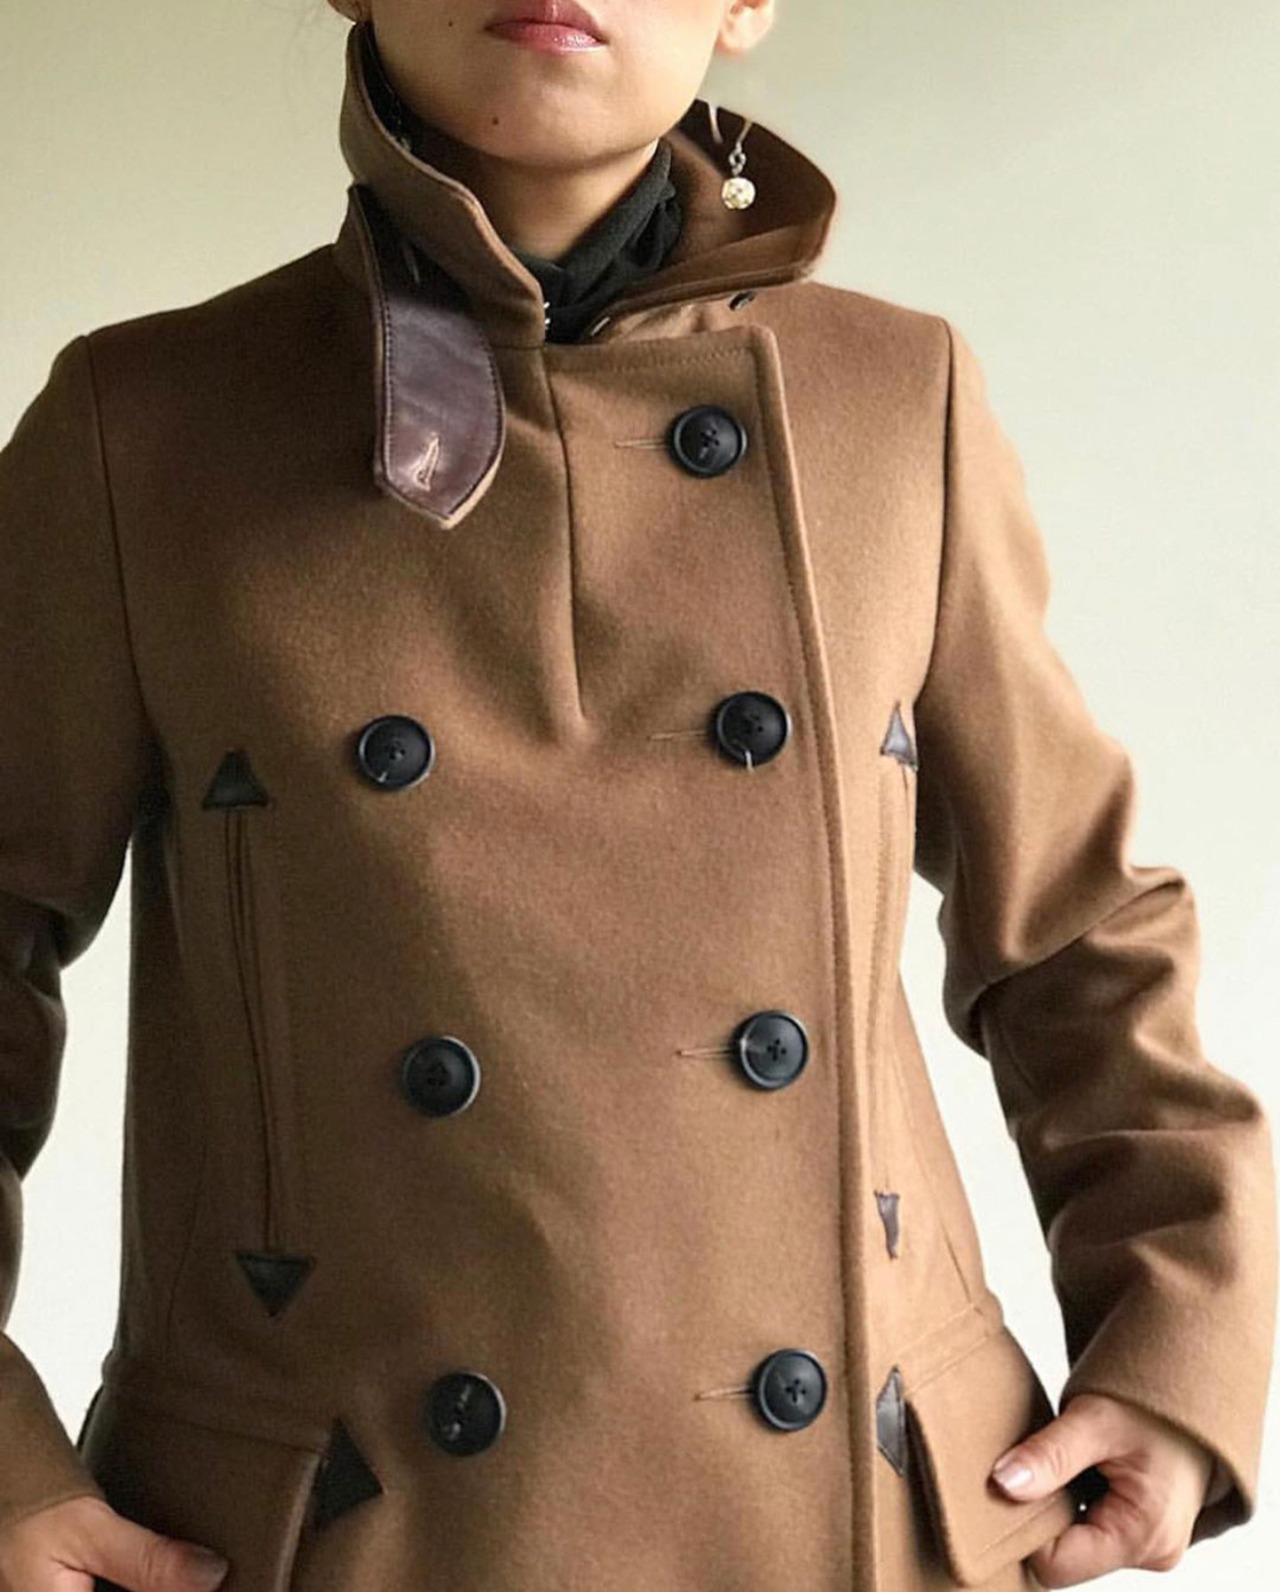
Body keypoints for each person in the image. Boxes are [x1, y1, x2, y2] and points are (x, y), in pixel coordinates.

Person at [0, 4, 1273, 1591]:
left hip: (853, 1520)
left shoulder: (899, 401)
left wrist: (1177, 1343)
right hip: (348, 1530)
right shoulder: (141, 430)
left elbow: (1075, 923)